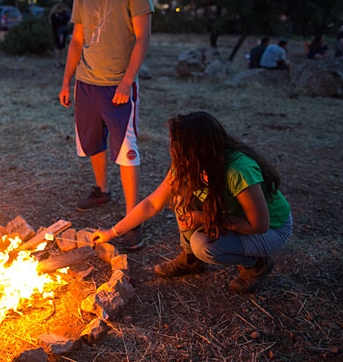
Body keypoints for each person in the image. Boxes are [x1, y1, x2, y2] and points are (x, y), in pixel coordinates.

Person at [92, 111, 293, 294]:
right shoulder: (189, 165)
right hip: (234, 218)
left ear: (197, 149)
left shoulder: (239, 170)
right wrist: (112, 232)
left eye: (177, 145)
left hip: (271, 230)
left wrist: (204, 217)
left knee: (204, 246)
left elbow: (259, 225)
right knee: (180, 198)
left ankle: (256, 264)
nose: (173, 149)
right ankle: (190, 260)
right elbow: (152, 204)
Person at [58, 0, 153, 250]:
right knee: (91, 142)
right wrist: (67, 80)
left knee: (126, 151)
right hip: (87, 82)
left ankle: (132, 219)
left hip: (118, 85)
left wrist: (127, 80)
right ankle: (102, 190)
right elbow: (77, 40)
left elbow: (143, 38)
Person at [49, 2, 72, 68]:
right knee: (58, 47)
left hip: (63, 32)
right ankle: (57, 62)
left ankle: (60, 61)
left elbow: (67, 20)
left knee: (62, 47)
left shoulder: (63, 14)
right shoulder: (54, 16)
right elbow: (56, 24)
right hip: (57, 33)